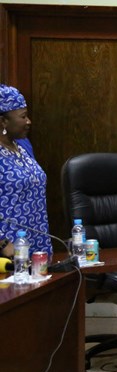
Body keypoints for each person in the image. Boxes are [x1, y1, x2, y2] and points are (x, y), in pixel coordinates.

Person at [0, 84, 52, 256]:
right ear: (3, 121)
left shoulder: (22, 146)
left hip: (38, 242)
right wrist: (2, 244)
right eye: (23, 117)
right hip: (10, 250)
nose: (28, 121)